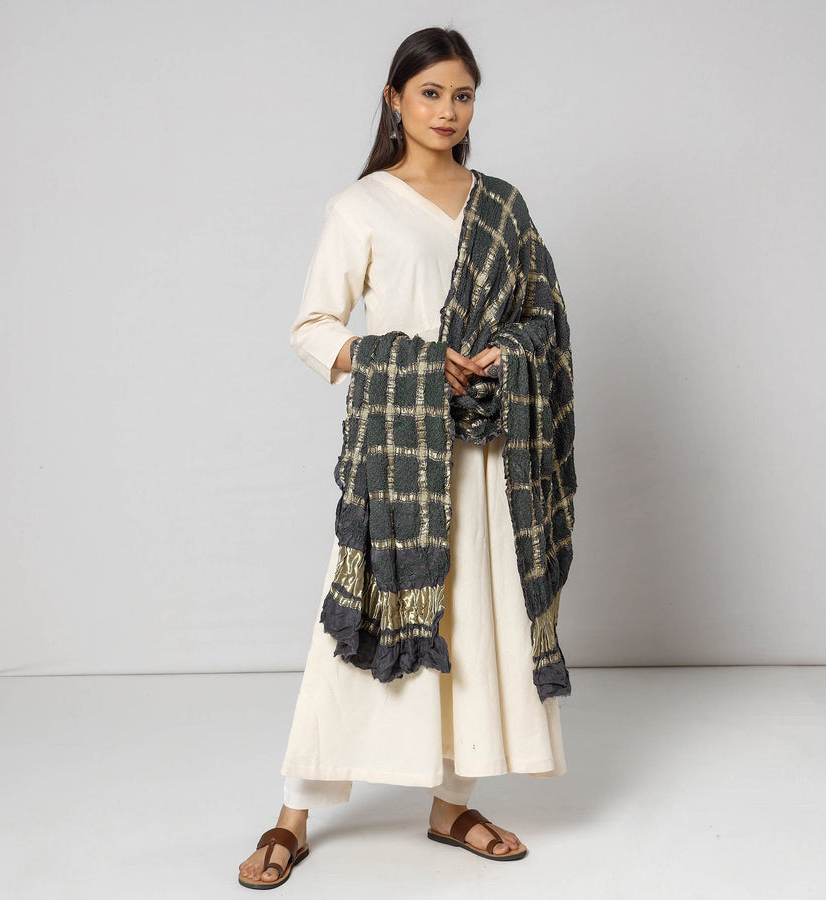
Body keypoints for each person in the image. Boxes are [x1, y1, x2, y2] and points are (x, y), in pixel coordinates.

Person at [238, 25, 572, 889]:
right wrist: (414, 361)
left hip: (486, 452)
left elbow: (543, 316)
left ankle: (451, 803)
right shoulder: (362, 207)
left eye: (463, 95)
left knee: (473, 622)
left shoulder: (502, 205)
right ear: (395, 100)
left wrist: (506, 352)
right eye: (430, 93)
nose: (448, 111)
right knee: (361, 626)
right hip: (401, 455)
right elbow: (314, 328)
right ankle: (292, 816)